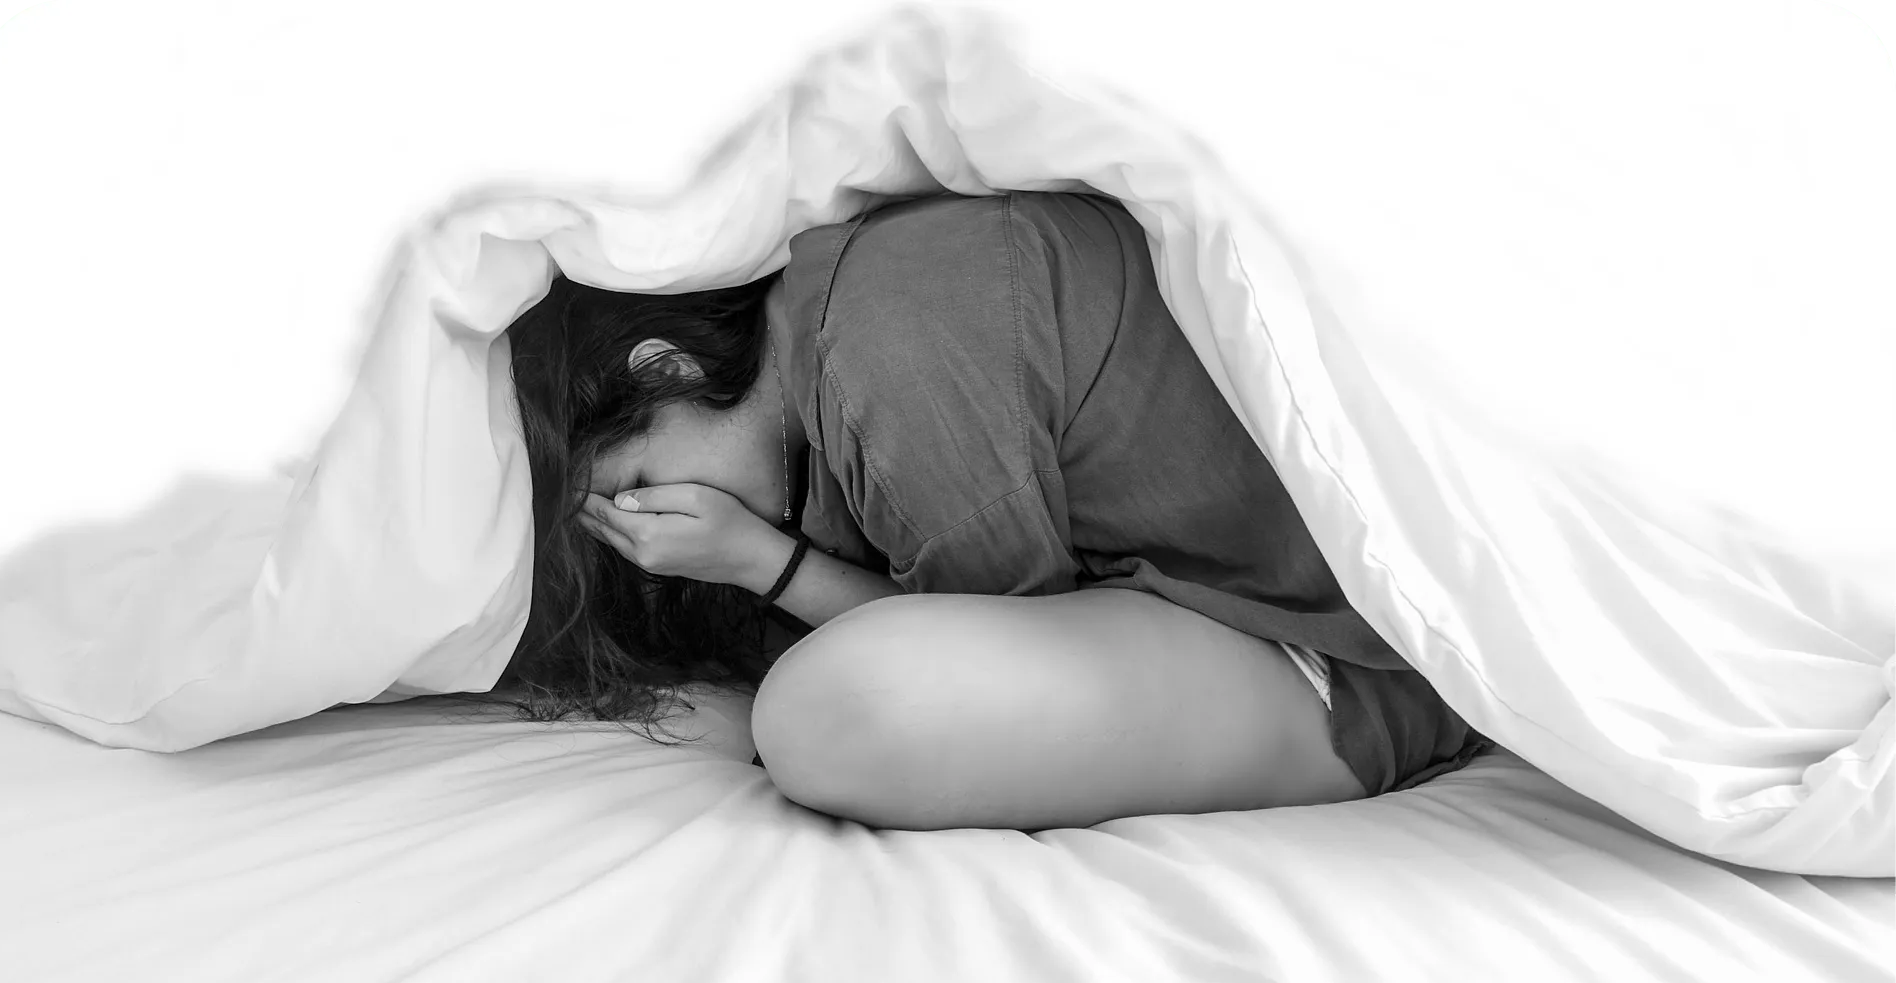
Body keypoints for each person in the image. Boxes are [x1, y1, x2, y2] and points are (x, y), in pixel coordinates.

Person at [494, 189, 1492, 832]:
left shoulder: (884, 350)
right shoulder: (846, 310)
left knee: (831, 714)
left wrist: (764, 563)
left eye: (630, 480)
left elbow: (994, 637)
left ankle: (1422, 725)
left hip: (1357, 650)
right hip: (1279, 601)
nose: (647, 523)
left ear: (665, 370)